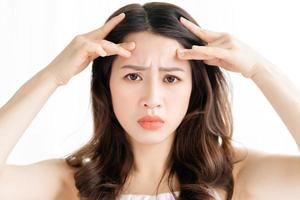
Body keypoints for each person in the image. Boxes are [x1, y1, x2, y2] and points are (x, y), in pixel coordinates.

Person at [0, 2, 299, 200]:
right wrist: (52, 76)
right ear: (107, 86)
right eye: (133, 77)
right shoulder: (69, 184)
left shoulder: (236, 178)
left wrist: (260, 69)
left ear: (195, 88)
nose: (152, 100)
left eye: (171, 78)